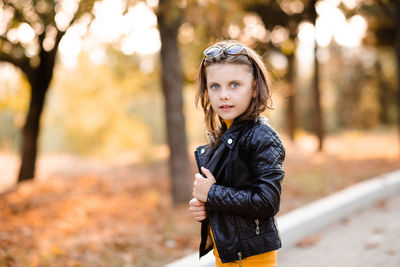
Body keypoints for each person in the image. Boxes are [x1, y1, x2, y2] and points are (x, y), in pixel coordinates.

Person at [188, 40, 285, 267]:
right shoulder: (223, 137)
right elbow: (229, 195)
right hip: (228, 255)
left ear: (254, 88)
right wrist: (204, 205)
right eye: (215, 86)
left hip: (251, 258)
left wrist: (212, 194)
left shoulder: (261, 137)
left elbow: (268, 202)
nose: (223, 95)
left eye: (234, 85)